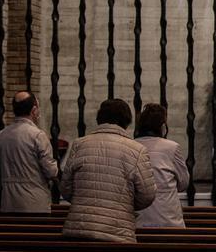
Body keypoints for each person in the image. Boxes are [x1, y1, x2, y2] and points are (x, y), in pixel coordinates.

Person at [61, 99, 156, 242]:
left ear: (100, 118)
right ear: (127, 120)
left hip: (79, 230)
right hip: (117, 232)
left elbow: (65, 188)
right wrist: (124, 203)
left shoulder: (79, 144)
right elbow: (147, 195)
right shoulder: (137, 150)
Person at [0, 91, 59, 213]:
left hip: (7, 202)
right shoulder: (37, 135)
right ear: (34, 110)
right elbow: (51, 171)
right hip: (34, 203)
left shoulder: (1, 135)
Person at [135, 103, 190, 228]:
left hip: (139, 222)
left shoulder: (131, 146)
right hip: (169, 222)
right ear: (163, 126)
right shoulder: (172, 148)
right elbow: (184, 183)